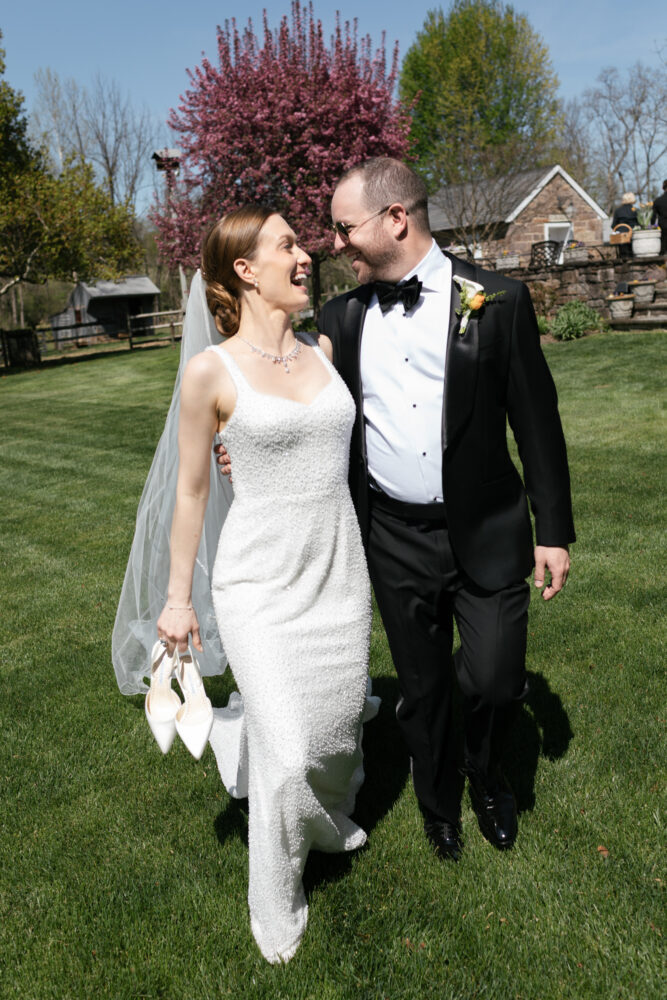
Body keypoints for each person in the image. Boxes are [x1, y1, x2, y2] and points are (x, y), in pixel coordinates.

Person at [113, 205, 376, 964]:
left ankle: (310, 807)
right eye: (288, 245)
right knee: (289, 753)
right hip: (258, 581)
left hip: (337, 570)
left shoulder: (324, 348)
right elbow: (191, 490)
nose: (307, 255)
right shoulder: (210, 372)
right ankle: (276, 903)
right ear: (245, 270)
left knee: (333, 731)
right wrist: (176, 601)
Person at [315, 158, 575, 860]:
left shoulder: (498, 301)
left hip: (488, 527)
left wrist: (552, 530)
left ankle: (485, 774)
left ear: (396, 219)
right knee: (422, 688)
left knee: (495, 679)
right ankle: (437, 804)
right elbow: (309, 411)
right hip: (391, 535)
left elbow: (537, 422)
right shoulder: (340, 317)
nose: (334, 243)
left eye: (344, 227)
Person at [611, 192, 638, 259]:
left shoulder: (618, 211)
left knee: (622, 255)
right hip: (633, 235)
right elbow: (639, 223)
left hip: (621, 237)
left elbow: (613, 225)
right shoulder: (635, 210)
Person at [650, 180, 667, 255]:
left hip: (663, 227)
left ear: (663, 188)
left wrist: (652, 226)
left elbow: (653, 217)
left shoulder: (658, 201)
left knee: (663, 249)